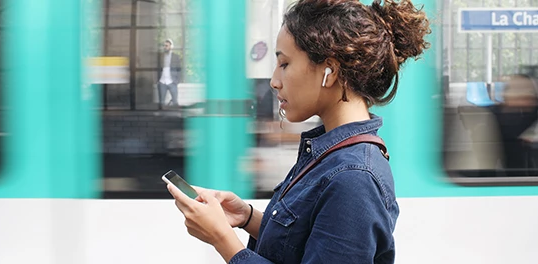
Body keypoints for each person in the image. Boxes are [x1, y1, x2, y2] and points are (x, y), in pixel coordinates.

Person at [166, 0, 430, 263]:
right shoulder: (331, 154)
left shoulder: (353, 178)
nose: (273, 81)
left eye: (285, 64)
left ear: (330, 71)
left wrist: (222, 238)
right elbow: (309, 245)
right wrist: (247, 217)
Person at [157, 38, 182, 107]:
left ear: (171, 47)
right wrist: (157, 80)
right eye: (164, 46)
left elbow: (179, 69)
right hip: (162, 81)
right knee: (161, 102)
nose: (165, 47)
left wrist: (177, 81)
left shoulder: (176, 57)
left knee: (175, 101)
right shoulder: (161, 56)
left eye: (167, 46)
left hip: (172, 81)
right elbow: (157, 68)